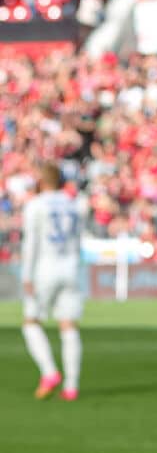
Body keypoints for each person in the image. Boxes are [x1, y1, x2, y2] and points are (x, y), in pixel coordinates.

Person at [20, 163, 83, 401]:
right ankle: (71, 387)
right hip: (70, 267)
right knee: (68, 325)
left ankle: (49, 372)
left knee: (31, 322)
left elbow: (31, 243)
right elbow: (78, 239)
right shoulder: (74, 204)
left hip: (45, 268)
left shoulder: (35, 205)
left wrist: (27, 275)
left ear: (41, 180)